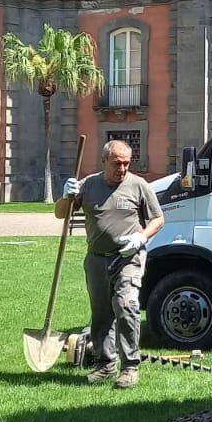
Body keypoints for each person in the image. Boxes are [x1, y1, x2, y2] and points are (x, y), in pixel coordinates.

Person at [55, 139, 165, 388]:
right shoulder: (89, 185)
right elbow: (62, 213)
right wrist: (66, 196)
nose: (122, 169)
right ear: (103, 161)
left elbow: (158, 219)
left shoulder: (139, 186)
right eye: (117, 163)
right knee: (102, 313)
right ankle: (105, 365)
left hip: (127, 258)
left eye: (126, 163)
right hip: (96, 259)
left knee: (125, 306)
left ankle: (130, 367)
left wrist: (141, 237)